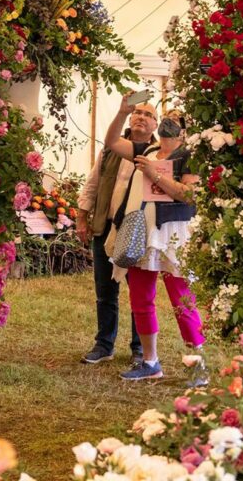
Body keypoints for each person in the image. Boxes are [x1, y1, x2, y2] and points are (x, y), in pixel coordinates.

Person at [102, 97, 207, 384]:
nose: (169, 122)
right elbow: (112, 142)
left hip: (172, 235)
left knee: (182, 300)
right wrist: (122, 112)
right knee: (140, 298)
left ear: (184, 130)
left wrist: (153, 174)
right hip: (140, 232)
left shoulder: (189, 156)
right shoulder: (146, 148)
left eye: (176, 119)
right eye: (167, 116)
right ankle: (150, 361)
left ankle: (198, 367)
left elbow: (190, 195)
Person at [75, 101, 158, 365]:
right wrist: (81, 216)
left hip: (137, 232)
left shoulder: (159, 155)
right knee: (105, 291)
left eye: (149, 115)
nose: (141, 118)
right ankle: (104, 344)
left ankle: (138, 346)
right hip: (105, 226)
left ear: (156, 125)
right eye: (138, 113)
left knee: (139, 293)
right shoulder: (111, 150)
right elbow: (93, 183)